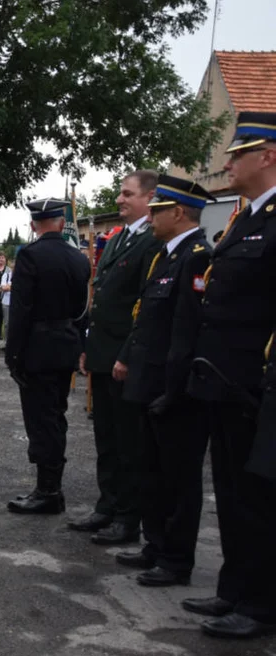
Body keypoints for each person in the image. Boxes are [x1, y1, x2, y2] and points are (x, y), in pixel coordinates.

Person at [184, 112, 276, 639]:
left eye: (238, 153)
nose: (227, 162)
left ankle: (260, 604)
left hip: (253, 383)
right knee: (233, 492)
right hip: (223, 379)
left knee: (258, 498)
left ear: (267, 156)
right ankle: (234, 588)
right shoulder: (244, 218)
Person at [112, 175, 214, 589]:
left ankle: (176, 559)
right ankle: (155, 545)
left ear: (177, 212)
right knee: (151, 472)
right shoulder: (164, 258)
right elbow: (147, 318)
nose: (150, 217)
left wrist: (174, 390)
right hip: (149, 384)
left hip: (174, 389)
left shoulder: (197, 257)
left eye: (157, 210)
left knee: (178, 478)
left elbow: (188, 331)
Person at [70, 170, 162, 544]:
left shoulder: (153, 241)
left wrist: (125, 354)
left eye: (127, 194)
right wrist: (88, 347)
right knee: (105, 437)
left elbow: (144, 306)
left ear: (150, 198)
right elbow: (103, 296)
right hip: (103, 355)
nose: (120, 199)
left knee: (129, 442)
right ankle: (107, 506)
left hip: (127, 359)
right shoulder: (118, 239)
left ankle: (128, 517)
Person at [4, 199, 91, 515]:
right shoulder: (78, 258)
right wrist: (79, 344)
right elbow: (82, 310)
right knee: (56, 416)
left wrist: (12, 355)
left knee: (41, 421)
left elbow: (22, 309)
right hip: (65, 344)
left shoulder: (30, 255)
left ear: (33, 225)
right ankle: (51, 486)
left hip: (37, 348)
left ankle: (48, 491)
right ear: (60, 222)